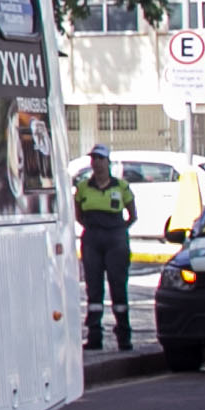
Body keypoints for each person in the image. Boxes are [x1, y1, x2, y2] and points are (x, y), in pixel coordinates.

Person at [71, 143, 138, 352]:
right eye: (94, 159)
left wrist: (117, 230)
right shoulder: (83, 187)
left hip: (115, 239)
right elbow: (78, 214)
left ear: (108, 162)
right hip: (92, 239)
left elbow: (132, 214)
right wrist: (94, 229)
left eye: (100, 159)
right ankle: (94, 336)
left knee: (119, 288)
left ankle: (124, 336)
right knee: (94, 289)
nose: (97, 163)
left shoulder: (121, 187)